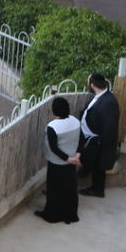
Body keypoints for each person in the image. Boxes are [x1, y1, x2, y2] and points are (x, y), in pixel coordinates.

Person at [37, 96, 81, 224]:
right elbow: (81, 139)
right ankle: (70, 214)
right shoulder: (75, 121)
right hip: (72, 161)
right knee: (70, 189)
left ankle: (52, 215)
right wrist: (76, 156)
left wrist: (68, 159)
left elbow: (54, 148)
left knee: (54, 189)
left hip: (57, 163)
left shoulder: (53, 126)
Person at [78, 72, 120, 198]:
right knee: (95, 166)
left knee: (96, 166)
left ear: (92, 84)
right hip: (91, 139)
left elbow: (110, 126)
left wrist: (99, 142)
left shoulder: (109, 101)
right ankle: (95, 188)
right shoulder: (99, 96)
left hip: (97, 141)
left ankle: (97, 190)